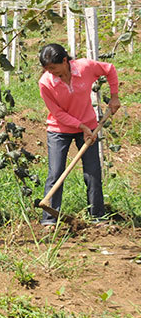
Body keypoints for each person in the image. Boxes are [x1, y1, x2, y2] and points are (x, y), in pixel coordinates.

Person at [38, 43, 120, 226]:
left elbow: (109, 69)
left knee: (92, 172)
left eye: (53, 67)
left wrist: (114, 96)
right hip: (59, 130)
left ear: (65, 61)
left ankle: (97, 216)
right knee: (56, 172)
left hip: (89, 128)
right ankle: (49, 220)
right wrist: (79, 125)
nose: (50, 72)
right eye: (46, 69)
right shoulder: (45, 83)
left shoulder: (85, 67)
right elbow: (57, 113)